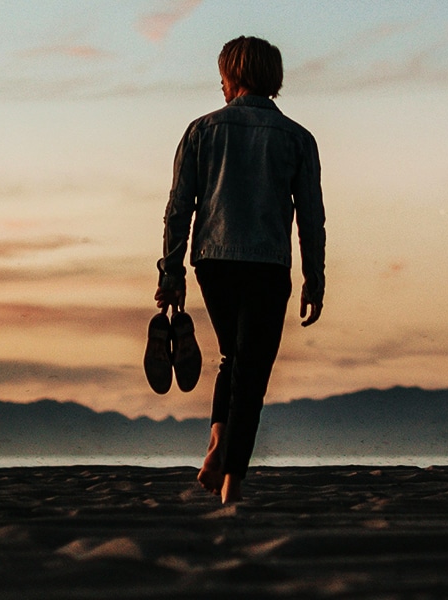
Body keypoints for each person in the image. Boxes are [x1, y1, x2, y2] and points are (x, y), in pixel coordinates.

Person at [154, 36, 325, 504]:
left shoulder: (200, 131)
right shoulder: (297, 138)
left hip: (214, 261)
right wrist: (315, 277)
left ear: (232, 78)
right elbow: (311, 216)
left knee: (234, 358)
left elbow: (178, 209)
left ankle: (216, 446)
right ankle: (231, 479)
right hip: (268, 264)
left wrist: (170, 273)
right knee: (252, 369)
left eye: (223, 76)